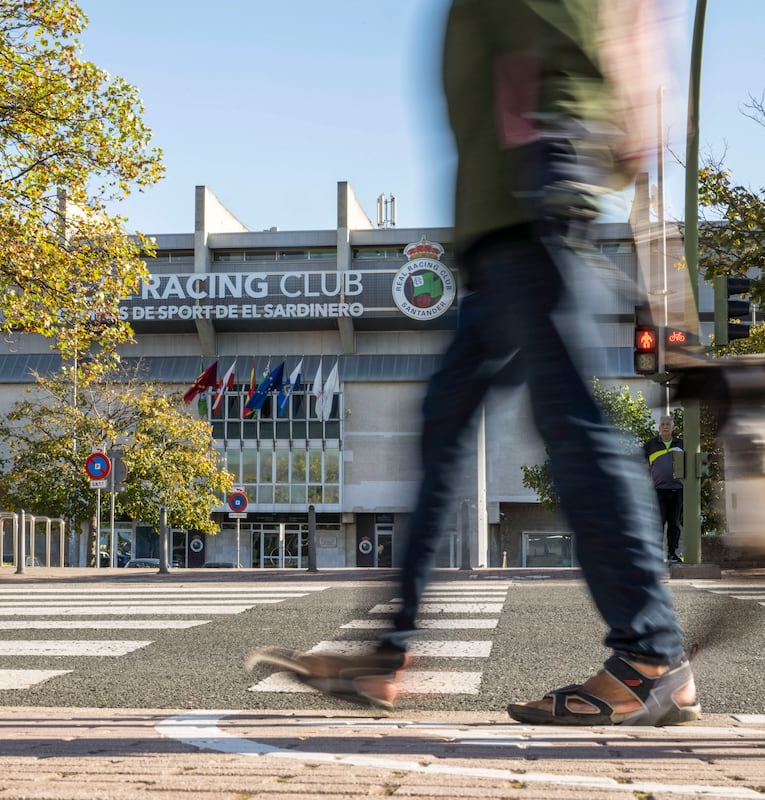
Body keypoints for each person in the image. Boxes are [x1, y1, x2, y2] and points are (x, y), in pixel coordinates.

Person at [247, 0, 700, 726]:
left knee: (574, 422)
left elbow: (594, 41)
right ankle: (386, 656)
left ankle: (650, 656)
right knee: (445, 428)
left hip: (534, 195)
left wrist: (563, 139)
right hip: (498, 222)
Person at [644, 415, 685, 564]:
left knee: (673, 523)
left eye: (668, 424)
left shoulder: (682, 443)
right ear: (659, 428)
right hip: (658, 490)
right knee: (657, 524)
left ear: (673, 428)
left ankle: (672, 554)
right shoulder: (650, 445)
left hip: (677, 490)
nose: (665, 426)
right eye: (662, 424)